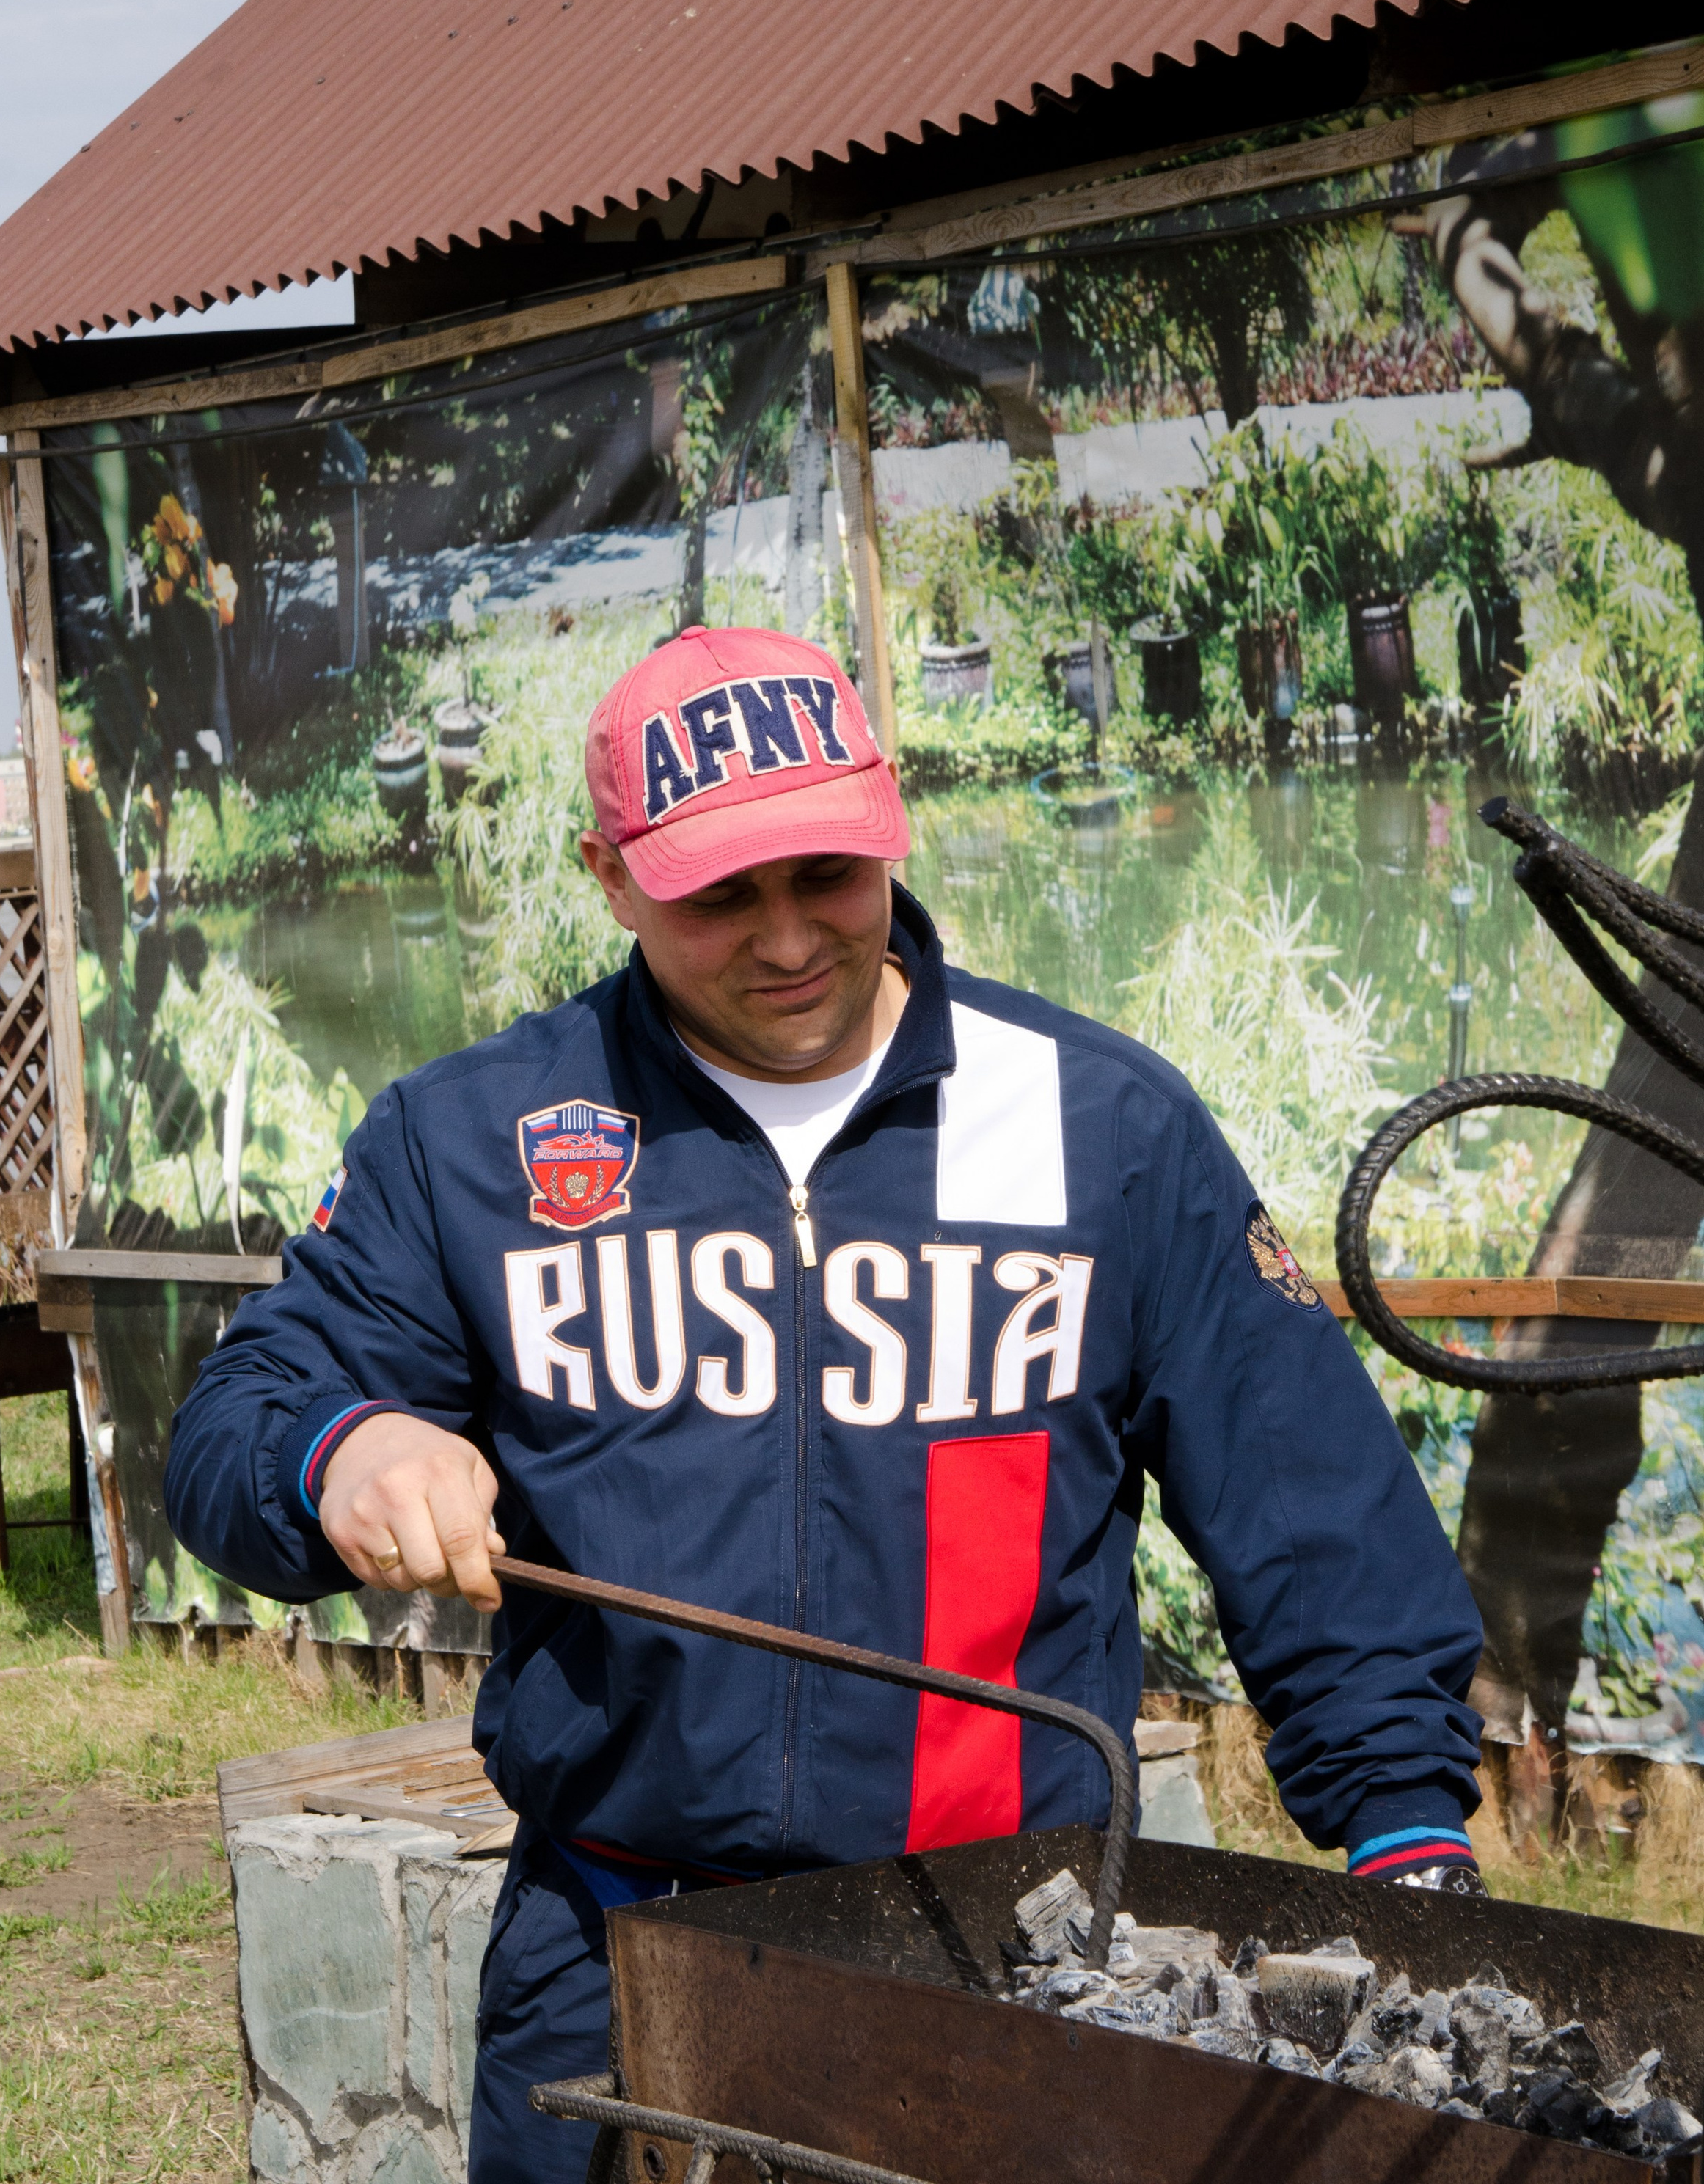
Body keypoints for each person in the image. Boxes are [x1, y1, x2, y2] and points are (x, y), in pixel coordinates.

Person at [166, 622, 1484, 2181]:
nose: (787, 937)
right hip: (609, 1952)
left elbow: (1309, 1506)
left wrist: (1404, 1827)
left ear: (889, 825)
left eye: (826, 877)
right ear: (609, 874)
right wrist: (341, 1448)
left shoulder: (1095, 1126)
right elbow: (238, 1417)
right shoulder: (476, 1143)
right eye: (719, 894)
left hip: (1017, 1952)